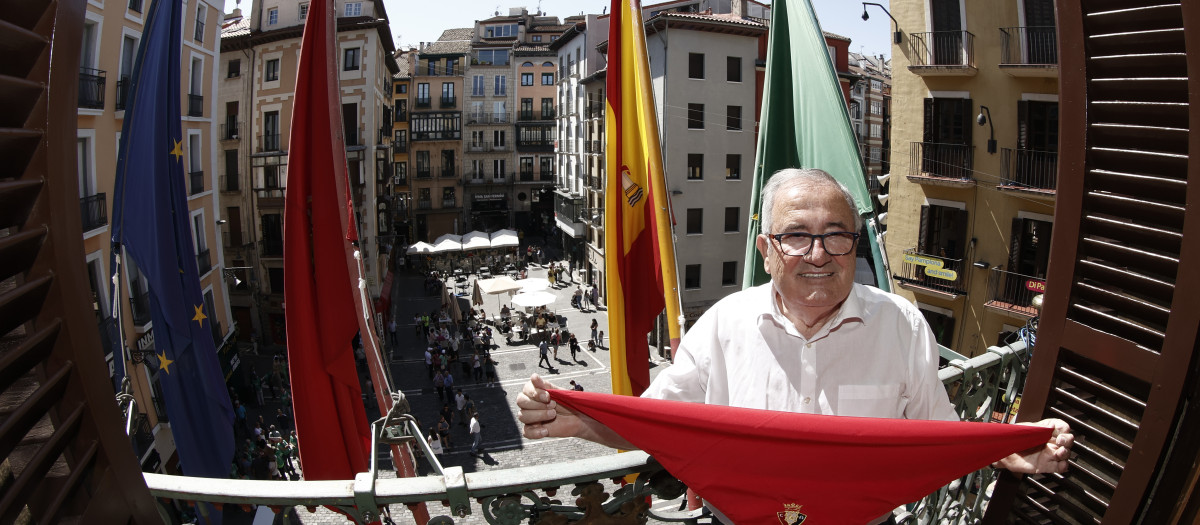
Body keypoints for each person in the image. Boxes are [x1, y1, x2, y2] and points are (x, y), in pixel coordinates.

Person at [517, 169, 1073, 524]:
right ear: (766, 249)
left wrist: (1004, 449)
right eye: (796, 236)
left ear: (855, 246)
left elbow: (935, 431)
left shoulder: (901, 324)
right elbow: (659, 422)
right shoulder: (724, 323)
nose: (817, 254)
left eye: (836, 234)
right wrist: (572, 418)